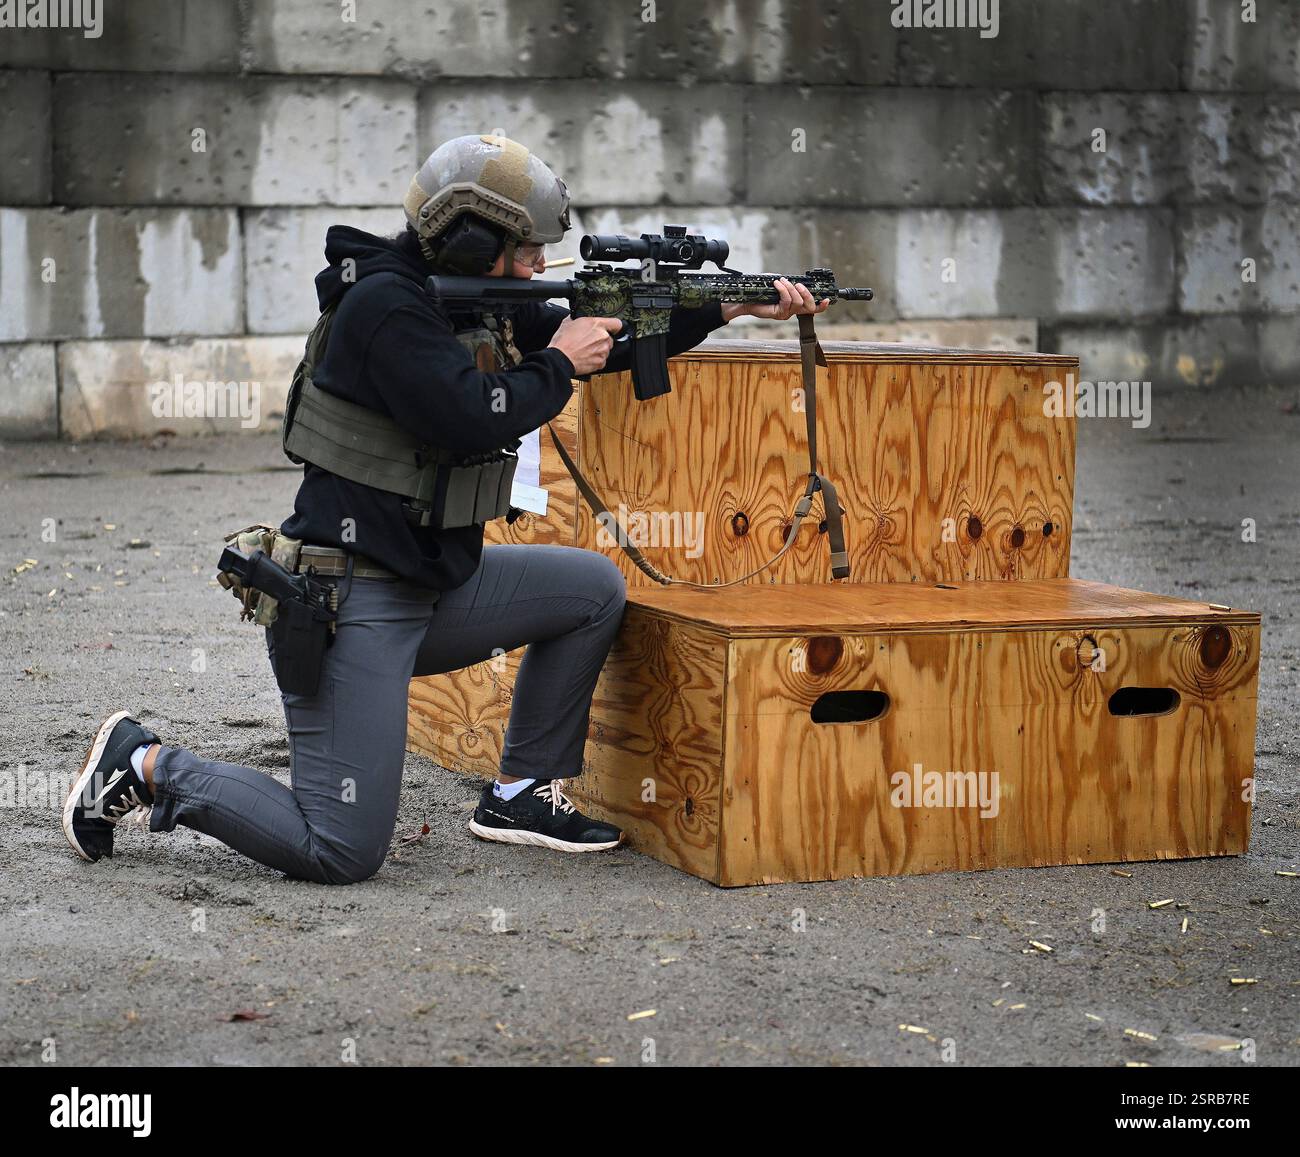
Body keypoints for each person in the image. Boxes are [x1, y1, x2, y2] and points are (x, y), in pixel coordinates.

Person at [61, 134, 828, 885]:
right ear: (470, 239)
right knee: (341, 847)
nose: (538, 266)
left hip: (433, 589)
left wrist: (722, 307)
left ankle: (520, 794)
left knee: (592, 591)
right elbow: (473, 413)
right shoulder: (384, 309)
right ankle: (148, 762)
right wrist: (560, 361)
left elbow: (612, 337)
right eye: (525, 249)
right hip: (347, 604)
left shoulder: (473, 302)